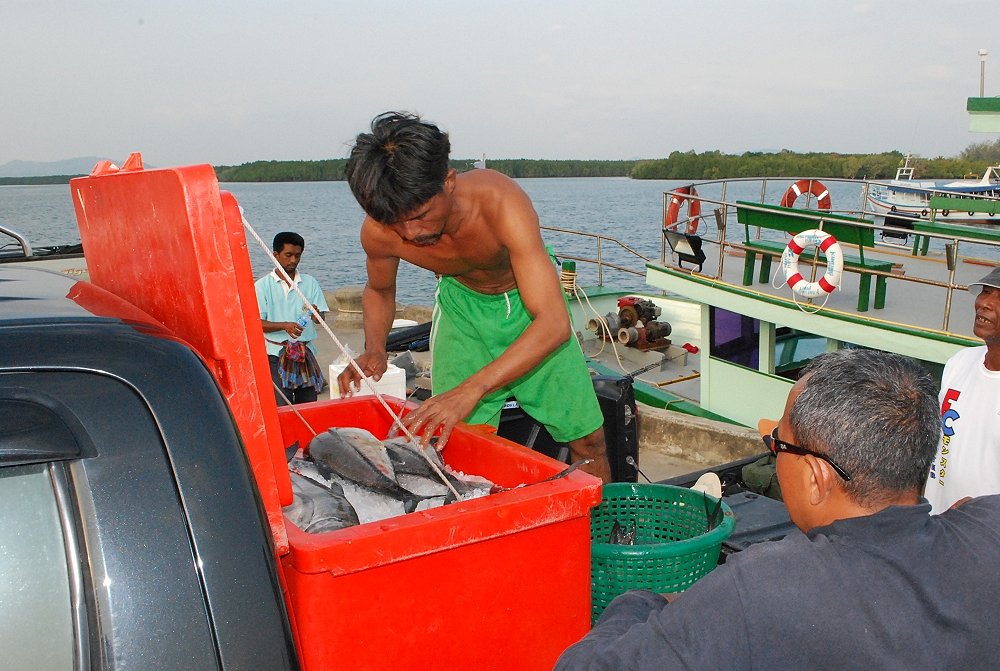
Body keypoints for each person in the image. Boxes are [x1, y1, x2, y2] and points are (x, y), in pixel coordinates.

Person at [556, 349, 1000, 670]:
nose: (772, 452)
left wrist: (637, 602)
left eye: (777, 445)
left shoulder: (764, 591)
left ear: (815, 477)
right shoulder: (987, 531)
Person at [338, 111, 612, 482]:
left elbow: (553, 322)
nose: (411, 233)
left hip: (529, 311)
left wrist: (472, 390)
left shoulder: (500, 202)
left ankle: (599, 536)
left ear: (448, 182)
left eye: (419, 215)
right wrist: (374, 348)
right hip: (462, 312)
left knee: (589, 439)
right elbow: (380, 289)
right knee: (456, 446)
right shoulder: (380, 232)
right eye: (394, 221)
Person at [925, 265, 1000, 513]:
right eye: (986, 292)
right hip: (935, 523)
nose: (985, 303)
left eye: (999, 297)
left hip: (985, 539)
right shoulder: (960, 362)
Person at [255, 231, 329, 405]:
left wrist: (317, 314)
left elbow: (321, 320)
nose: (293, 261)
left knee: (308, 404)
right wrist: (285, 326)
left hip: (305, 353)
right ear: (276, 255)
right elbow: (257, 323)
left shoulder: (309, 283)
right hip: (276, 353)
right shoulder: (262, 286)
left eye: (297, 256)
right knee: (283, 404)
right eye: (288, 255)